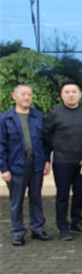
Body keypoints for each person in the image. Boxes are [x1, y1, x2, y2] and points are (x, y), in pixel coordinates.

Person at [0, 84, 52, 246]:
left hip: (36, 163)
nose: (26, 97)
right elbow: (1, 145)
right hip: (15, 165)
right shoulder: (5, 119)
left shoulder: (38, 116)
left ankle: (37, 229)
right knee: (16, 201)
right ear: (14, 96)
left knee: (36, 197)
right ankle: (18, 232)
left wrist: (46, 160)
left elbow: (45, 141)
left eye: (29, 94)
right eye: (23, 94)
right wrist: (4, 168)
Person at [43, 80, 82, 241]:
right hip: (62, 161)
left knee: (79, 194)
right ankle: (63, 226)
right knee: (63, 195)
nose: (71, 95)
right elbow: (45, 135)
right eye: (67, 92)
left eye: (74, 92)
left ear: (80, 94)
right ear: (62, 95)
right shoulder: (54, 114)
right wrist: (56, 147)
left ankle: (76, 222)